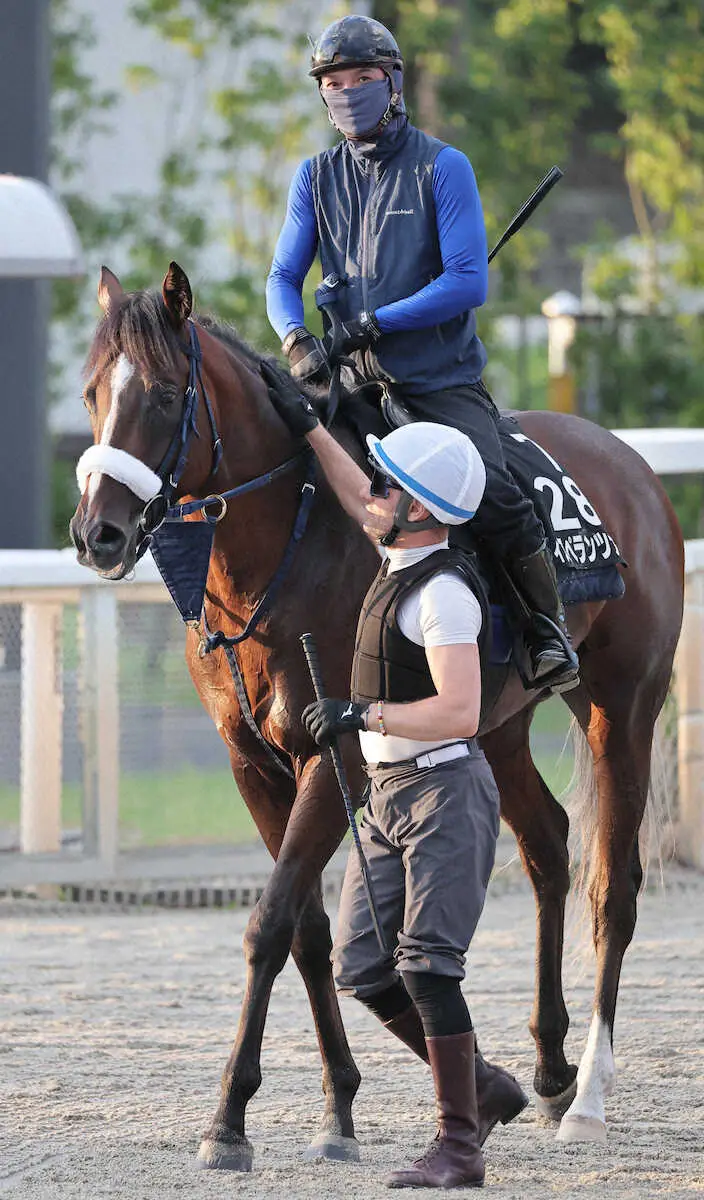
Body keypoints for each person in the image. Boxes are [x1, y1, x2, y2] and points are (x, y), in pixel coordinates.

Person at [261, 357, 528, 1190]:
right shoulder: (398, 553)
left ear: (417, 507)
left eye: (388, 482)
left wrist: (361, 716)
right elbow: (353, 496)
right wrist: (306, 424)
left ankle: (460, 1145)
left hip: (444, 792)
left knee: (425, 966)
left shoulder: (444, 594)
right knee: (363, 969)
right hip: (386, 797)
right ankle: (480, 1087)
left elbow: (459, 711)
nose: (371, 488)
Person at [265, 13, 578, 692]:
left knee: (492, 488)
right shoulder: (314, 178)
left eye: (362, 79)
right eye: (334, 83)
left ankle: (543, 627)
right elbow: (281, 278)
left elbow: (468, 281)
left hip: (437, 383)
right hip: (347, 385)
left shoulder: (444, 166)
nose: (347, 92)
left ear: (393, 82)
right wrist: (295, 338)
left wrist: (372, 323)